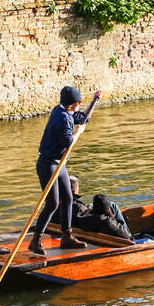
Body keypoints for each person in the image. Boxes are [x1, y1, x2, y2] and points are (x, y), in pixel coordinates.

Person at [29, 86, 101, 255]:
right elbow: (68, 143)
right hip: (48, 164)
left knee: (68, 198)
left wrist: (94, 101)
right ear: (74, 104)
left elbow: (82, 118)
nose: (79, 105)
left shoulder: (62, 110)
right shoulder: (61, 118)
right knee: (53, 203)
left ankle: (66, 237)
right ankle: (36, 240)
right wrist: (79, 132)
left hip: (59, 163)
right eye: (79, 103)